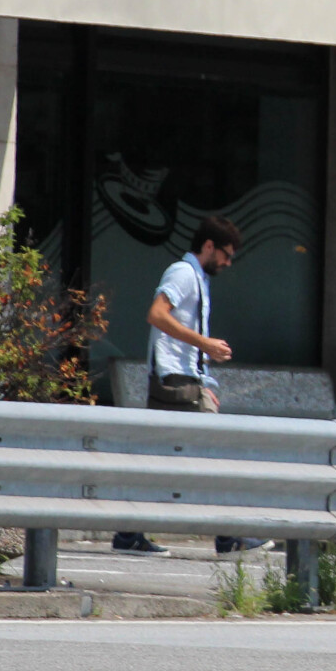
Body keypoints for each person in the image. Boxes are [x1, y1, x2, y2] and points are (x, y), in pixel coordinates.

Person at [112, 215, 247, 556]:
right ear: (208, 246)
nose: (229, 263)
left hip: (181, 380)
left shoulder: (196, 276)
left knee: (159, 459)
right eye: (226, 255)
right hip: (175, 381)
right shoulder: (184, 273)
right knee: (216, 452)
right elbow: (156, 314)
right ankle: (229, 537)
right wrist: (205, 344)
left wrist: (202, 377)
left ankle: (128, 534)